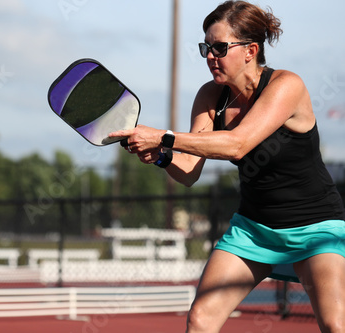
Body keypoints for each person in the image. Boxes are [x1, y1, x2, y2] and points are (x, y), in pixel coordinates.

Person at [109, 1, 345, 332]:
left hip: (316, 227)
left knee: (335, 323)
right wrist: (162, 157)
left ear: (251, 50)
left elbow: (237, 144)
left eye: (219, 47)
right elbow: (189, 170)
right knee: (200, 319)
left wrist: (162, 138)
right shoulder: (210, 96)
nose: (209, 56)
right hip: (254, 229)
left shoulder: (287, 85)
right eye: (206, 47)